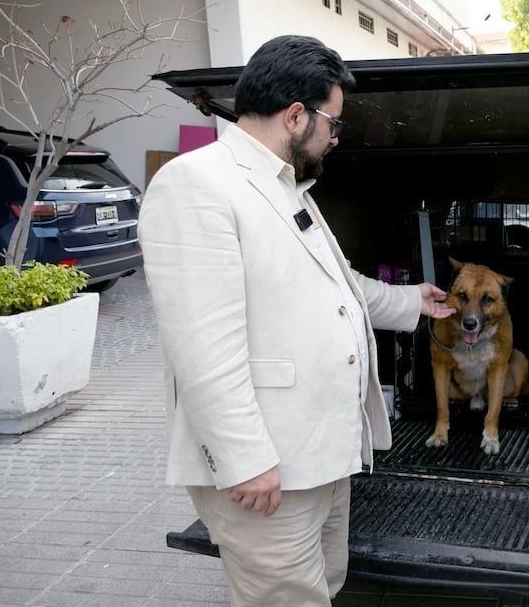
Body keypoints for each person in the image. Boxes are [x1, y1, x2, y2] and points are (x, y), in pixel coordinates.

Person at [139, 35, 454, 606]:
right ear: (295, 116)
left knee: (322, 587)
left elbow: (337, 285)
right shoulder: (197, 184)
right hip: (267, 469)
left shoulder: (288, 187)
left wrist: (411, 302)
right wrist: (245, 461)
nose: (336, 139)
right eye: (333, 124)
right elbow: (202, 347)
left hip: (319, 455)